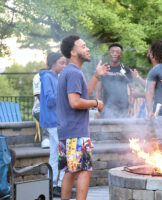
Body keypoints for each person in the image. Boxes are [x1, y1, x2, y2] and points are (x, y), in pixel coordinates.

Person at [58, 34, 109, 200]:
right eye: (83, 46)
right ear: (73, 52)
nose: (87, 49)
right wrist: (96, 103)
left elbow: (82, 94)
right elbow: (75, 102)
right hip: (76, 131)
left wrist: (96, 76)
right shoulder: (73, 73)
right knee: (84, 171)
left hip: (67, 131)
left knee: (70, 172)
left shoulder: (70, 71)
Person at [39, 52, 66, 197]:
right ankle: (60, 186)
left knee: (55, 154)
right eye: (62, 63)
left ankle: (52, 185)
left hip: (54, 120)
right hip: (52, 121)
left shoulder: (54, 77)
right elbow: (50, 100)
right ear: (53, 63)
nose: (64, 66)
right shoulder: (47, 77)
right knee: (63, 153)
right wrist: (66, 93)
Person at [95, 43, 134, 118]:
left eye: (117, 52)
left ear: (121, 55)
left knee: (125, 129)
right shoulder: (104, 69)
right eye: (112, 52)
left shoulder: (126, 70)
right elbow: (98, 91)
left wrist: (131, 106)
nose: (115, 54)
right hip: (107, 108)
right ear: (109, 54)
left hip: (124, 109)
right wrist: (97, 109)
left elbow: (132, 89)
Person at [132, 39, 162, 118]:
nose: (147, 54)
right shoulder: (158, 70)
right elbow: (150, 87)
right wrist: (138, 77)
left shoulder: (159, 72)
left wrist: (138, 95)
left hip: (155, 112)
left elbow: (158, 95)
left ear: (152, 54)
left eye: (149, 51)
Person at [32, 71, 49, 148]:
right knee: (45, 111)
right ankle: (46, 139)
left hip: (56, 108)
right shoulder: (38, 76)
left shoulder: (60, 75)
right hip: (39, 108)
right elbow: (38, 95)